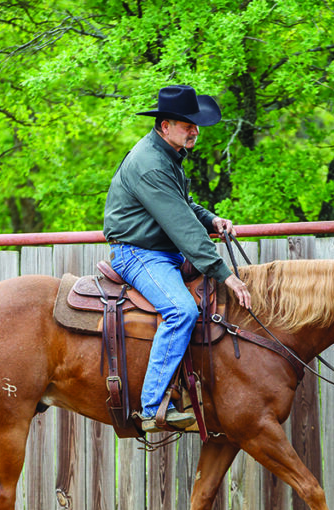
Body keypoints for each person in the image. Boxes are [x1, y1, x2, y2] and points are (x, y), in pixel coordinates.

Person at [103, 84, 252, 433]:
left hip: (158, 251)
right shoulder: (151, 163)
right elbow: (181, 226)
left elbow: (181, 206)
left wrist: (211, 219)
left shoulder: (165, 155)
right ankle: (153, 406)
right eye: (188, 125)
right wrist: (225, 274)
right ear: (165, 125)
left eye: (195, 125)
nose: (195, 131)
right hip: (139, 254)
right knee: (181, 310)